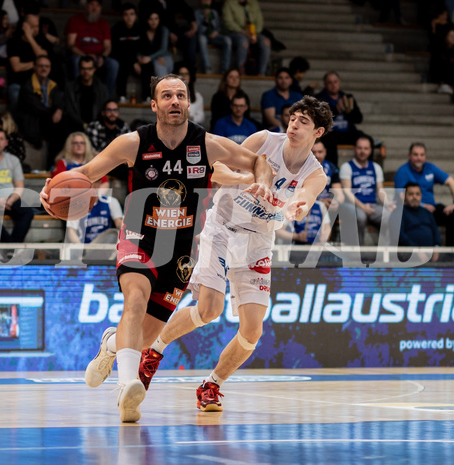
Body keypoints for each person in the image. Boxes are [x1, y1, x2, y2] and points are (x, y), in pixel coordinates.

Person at [40, 74, 273, 423]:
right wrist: (51, 190)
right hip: (140, 236)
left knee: (145, 337)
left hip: (181, 250)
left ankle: (110, 345)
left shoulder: (207, 144)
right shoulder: (132, 143)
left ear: (189, 103)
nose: (175, 101)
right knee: (134, 298)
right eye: (167, 96)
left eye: (181, 95)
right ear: (154, 105)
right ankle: (127, 389)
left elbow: (258, 162)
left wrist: (264, 182)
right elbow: (86, 173)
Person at [134, 96, 331, 411]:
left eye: (303, 122)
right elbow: (216, 172)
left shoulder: (316, 172)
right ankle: (153, 352)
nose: (294, 125)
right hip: (222, 227)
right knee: (208, 310)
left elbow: (306, 196)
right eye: (293, 118)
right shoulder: (263, 141)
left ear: (318, 133)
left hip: (258, 242)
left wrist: (298, 206)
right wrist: (248, 178)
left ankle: (211, 385)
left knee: (253, 331)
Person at [393, 142, 454, 246]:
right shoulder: (402, 171)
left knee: (453, 215)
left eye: (422, 155)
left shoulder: (430, 168)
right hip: (412, 210)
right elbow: (401, 197)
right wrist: (422, 206)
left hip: (431, 209)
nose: (419, 158)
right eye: (415, 155)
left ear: (425, 156)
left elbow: (452, 182)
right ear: (409, 156)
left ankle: (452, 254)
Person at [16, 54, 66, 169]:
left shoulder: (52, 85)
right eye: (41, 66)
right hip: (32, 122)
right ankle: (52, 165)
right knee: (58, 129)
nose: (44, 69)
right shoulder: (27, 86)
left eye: (47, 66)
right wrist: (55, 112)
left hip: (47, 120)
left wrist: (59, 109)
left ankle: (56, 164)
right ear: (34, 67)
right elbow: (37, 108)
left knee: (63, 125)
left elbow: (59, 100)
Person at [339, 135, 389, 246]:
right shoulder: (347, 167)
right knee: (360, 217)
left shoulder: (376, 167)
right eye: (360, 148)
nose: (363, 151)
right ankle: (359, 251)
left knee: (389, 215)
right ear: (355, 149)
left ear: (370, 150)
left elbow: (380, 191)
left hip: (372, 206)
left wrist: (388, 204)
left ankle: (385, 251)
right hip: (354, 206)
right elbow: (347, 192)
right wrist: (362, 207)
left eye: (366, 148)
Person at [65, 0, 119, 97]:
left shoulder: (103, 23)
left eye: (97, 5)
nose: (94, 8)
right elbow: (71, 44)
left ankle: (106, 98)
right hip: (80, 56)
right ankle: (77, 96)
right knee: (75, 61)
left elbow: (108, 46)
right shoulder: (75, 20)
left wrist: (102, 57)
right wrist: (86, 57)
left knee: (113, 64)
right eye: (91, 5)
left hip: (98, 58)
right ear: (86, 6)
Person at [315, 71, 364, 166]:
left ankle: (367, 167)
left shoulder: (347, 97)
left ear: (339, 82)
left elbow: (359, 119)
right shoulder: (319, 98)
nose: (333, 85)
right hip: (330, 133)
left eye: (335, 82)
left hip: (347, 132)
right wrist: (336, 109)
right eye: (330, 82)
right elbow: (320, 119)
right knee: (329, 139)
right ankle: (334, 170)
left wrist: (349, 111)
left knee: (365, 139)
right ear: (325, 84)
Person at [66, 179, 123, 258]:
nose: (93, 185)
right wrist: (81, 249)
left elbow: (119, 224)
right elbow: (71, 231)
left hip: (104, 246)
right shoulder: (76, 205)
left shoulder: (111, 202)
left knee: (113, 234)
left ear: (99, 183)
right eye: (90, 182)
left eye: (96, 181)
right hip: (85, 247)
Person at [6, 10, 47, 113]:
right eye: (32, 26)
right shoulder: (14, 42)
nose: (36, 29)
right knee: (15, 95)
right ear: (24, 26)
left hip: (38, 83)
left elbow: (43, 60)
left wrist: (30, 38)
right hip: (18, 83)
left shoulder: (41, 39)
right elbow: (16, 67)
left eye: (37, 26)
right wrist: (35, 64)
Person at [139, 0, 198, 69]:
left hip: (173, 29)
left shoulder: (171, 1)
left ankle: (189, 69)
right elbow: (148, 22)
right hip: (157, 32)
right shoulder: (146, 3)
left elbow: (185, 8)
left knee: (190, 37)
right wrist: (168, 33)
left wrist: (193, 25)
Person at [222, 0, 271, 76]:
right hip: (236, 32)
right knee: (243, 42)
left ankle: (262, 72)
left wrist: (253, 33)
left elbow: (259, 21)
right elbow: (228, 22)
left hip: (253, 32)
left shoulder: (253, 3)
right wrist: (243, 31)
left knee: (266, 42)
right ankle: (241, 71)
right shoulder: (229, 3)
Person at [137, 11, 174, 102]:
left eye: (156, 19)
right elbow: (137, 47)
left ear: (159, 20)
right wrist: (138, 58)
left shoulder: (164, 30)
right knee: (150, 66)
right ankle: (151, 97)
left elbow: (163, 50)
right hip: (152, 59)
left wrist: (149, 58)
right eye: (151, 19)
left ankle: (165, 97)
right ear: (147, 20)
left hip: (165, 57)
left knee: (158, 64)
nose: (153, 21)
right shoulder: (142, 31)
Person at [65, 55, 109, 131]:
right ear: (79, 69)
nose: (86, 72)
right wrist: (83, 124)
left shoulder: (102, 89)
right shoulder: (70, 87)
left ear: (94, 69)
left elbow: (103, 110)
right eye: (83, 68)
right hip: (74, 126)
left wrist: (92, 126)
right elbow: (69, 110)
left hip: (96, 128)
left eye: (89, 69)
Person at [111, 3, 142, 102]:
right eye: (126, 14)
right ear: (122, 16)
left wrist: (136, 60)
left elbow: (143, 48)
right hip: (122, 59)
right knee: (122, 65)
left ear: (136, 16)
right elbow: (116, 50)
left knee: (148, 65)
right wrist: (133, 62)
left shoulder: (140, 29)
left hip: (137, 59)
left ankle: (147, 97)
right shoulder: (117, 29)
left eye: (132, 14)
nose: (129, 17)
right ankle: (121, 96)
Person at [397, 182, 441, 248]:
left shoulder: (427, 212)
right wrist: (416, 251)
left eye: (417, 194)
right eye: (411, 194)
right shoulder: (398, 213)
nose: (415, 197)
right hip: (407, 254)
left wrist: (437, 247)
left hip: (431, 253)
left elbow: (436, 232)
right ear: (404, 196)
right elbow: (400, 236)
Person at [195, 0, 231, 74]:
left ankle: (225, 68)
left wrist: (215, 32)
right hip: (204, 35)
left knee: (227, 40)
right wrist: (206, 20)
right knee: (202, 39)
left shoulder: (214, 12)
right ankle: (207, 67)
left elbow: (218, 28)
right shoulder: (197, 13)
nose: (206, 2)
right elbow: (198, 30)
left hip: (214, 35)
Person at [311, 139, 344, 212]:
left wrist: (336, 202)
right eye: (313, 152)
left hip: (328, 202)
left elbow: (339, 193)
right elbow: (301, 194)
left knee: (350, 209)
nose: (317, 155)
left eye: (320, 152)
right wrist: (321, 201)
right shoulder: (302, 169)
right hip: (310, 204)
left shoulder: (331, 167)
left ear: (325, 152)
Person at [429, 28, 454, 95]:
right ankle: (443, 85)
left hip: (453, 76)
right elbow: (434, 66)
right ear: (445, 37)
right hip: (441, 75)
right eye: (451, 36)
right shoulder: (439, 50)